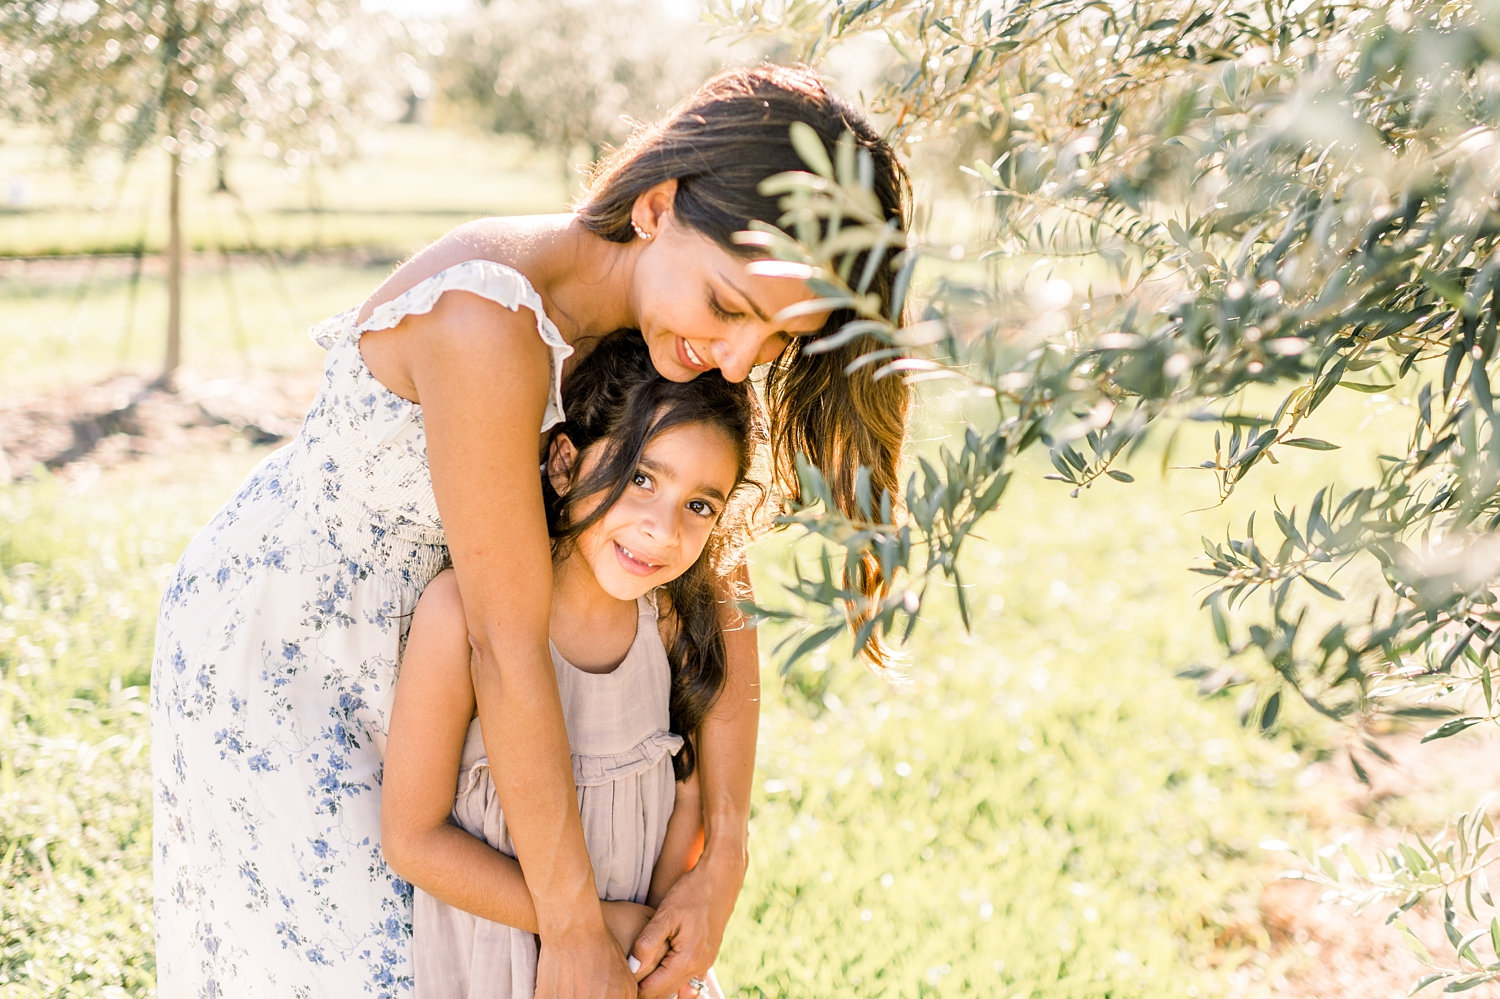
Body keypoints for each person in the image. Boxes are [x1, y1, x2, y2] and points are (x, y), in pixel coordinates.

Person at [151, 63, 910, 998]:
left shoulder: (669, 328)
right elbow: (505, 645)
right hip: (295, 648)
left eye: (777, 341)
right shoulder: (486, 320)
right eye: (730, 309)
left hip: (448, 660)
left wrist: (726, 852)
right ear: (656, 207)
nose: (739, 359)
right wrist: (576, 929)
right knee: (369, 971)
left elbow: (722, 578)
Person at [382, 331, 759, 998]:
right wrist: (588, 925)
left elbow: (690, 797)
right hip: (496, 961)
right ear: (564, 462)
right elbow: (412, 837)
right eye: (641, 476)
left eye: (699, 505)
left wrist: (648, 950)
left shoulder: (669, 619)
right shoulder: (459, 617)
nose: (663, 530)